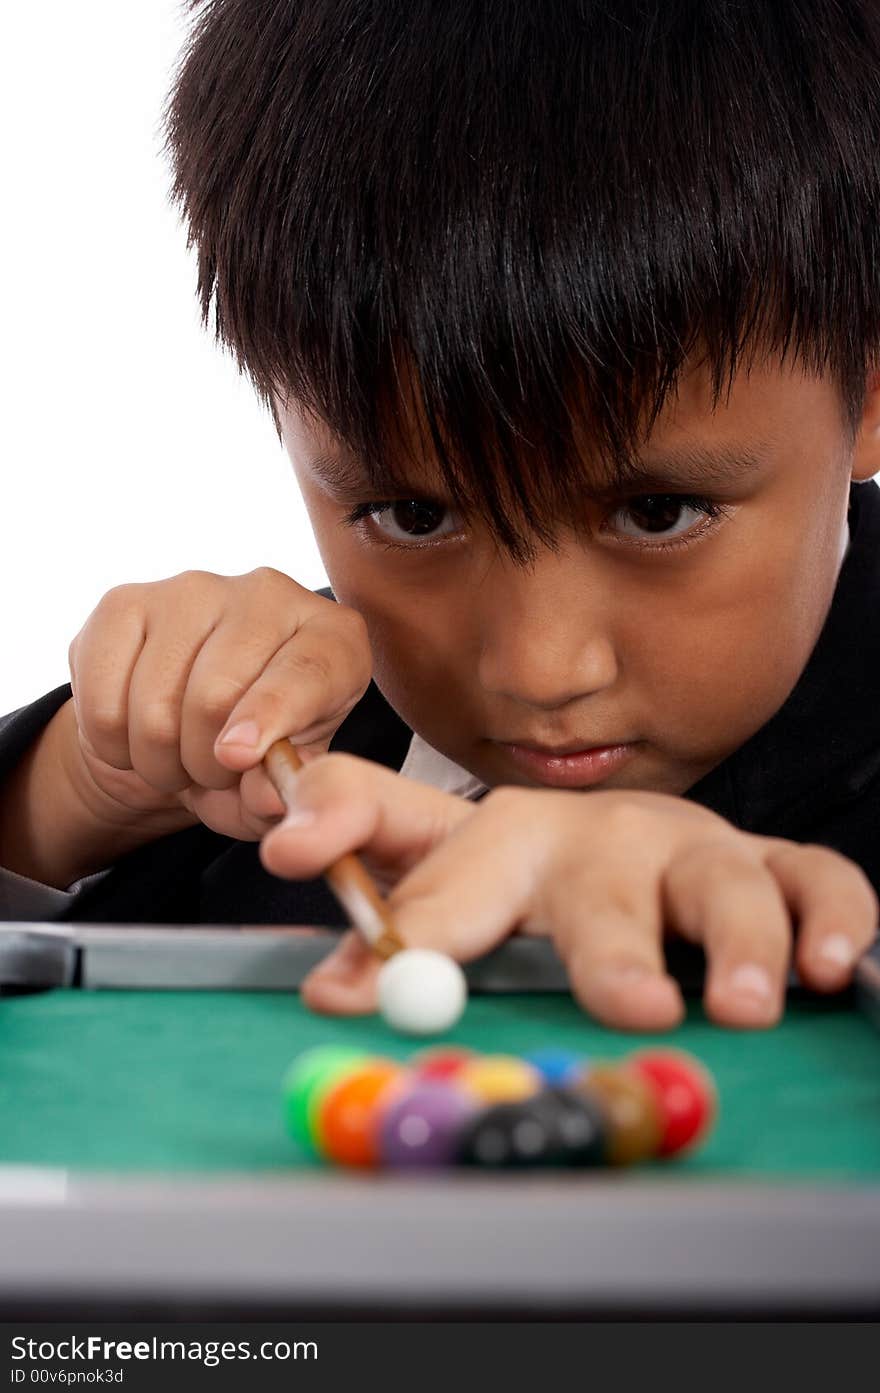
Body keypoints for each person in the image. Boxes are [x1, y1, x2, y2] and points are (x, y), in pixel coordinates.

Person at [1, 0, 879, 1033]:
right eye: (414, 515)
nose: (542, 669)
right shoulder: (262, 763)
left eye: (657, 512)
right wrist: (62, 805)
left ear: (865, 390)